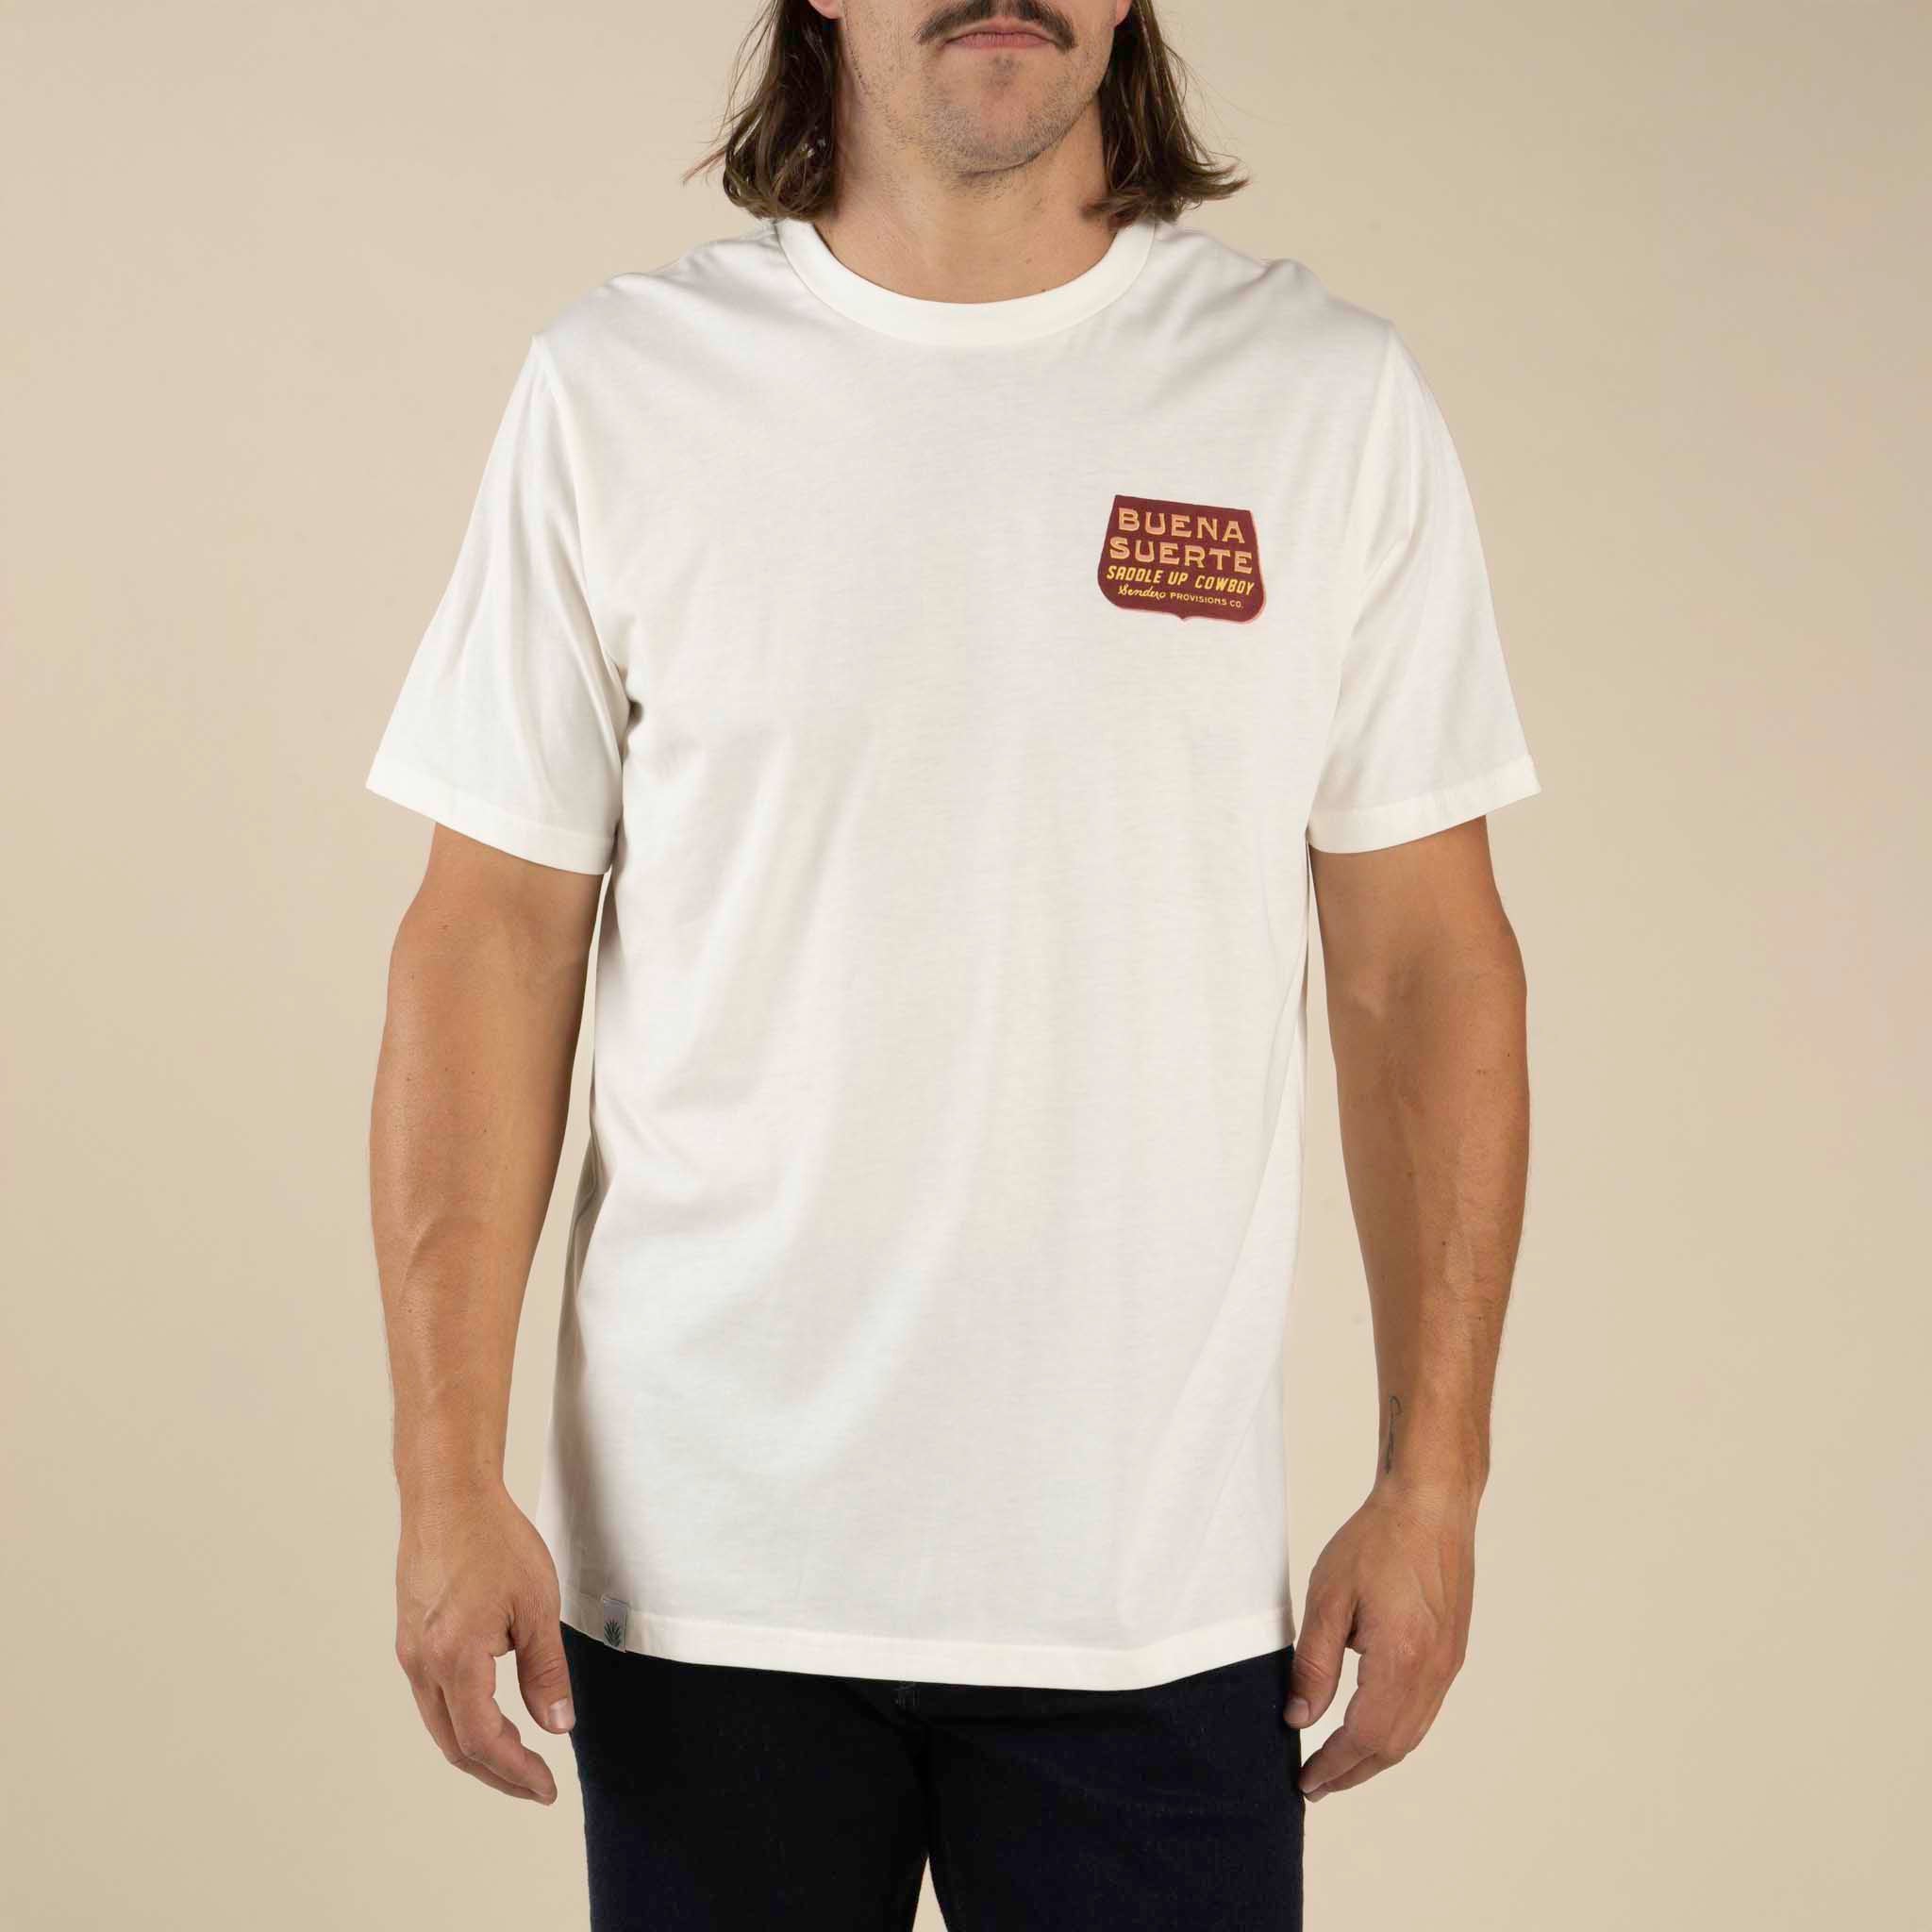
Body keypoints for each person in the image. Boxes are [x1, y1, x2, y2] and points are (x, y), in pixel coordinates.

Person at [365, 1, 1539, 1924]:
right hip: (706, 1580)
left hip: (1153, 1599)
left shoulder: (1319, 400)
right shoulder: (621, 390)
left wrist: (1436, 1485)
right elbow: (487, 943)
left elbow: (1425, 970)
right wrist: (443, 1473)